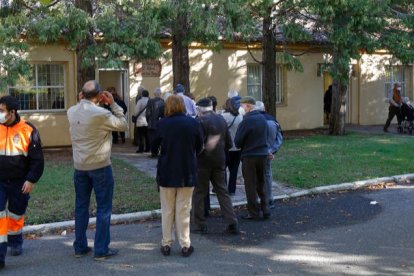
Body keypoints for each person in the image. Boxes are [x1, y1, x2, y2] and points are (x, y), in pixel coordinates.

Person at [67, 80, 128, 261]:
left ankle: (80, 246)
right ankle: (101, 250)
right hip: (100, 166)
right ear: (100, 95)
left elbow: (81, 108)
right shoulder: (101, 114)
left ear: (82, 95)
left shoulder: (71, 112)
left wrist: (82, 101)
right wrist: (113, 104)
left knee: (81, 207)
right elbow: (122, 124)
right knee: (103, 209)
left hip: (80, 167)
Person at [151, 95, 203, 257]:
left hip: (167, 172)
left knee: (167, 210)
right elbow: (199, 146)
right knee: (184, 210)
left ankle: (166, 243)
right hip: (187, 171)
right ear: (183, 106)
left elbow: (153, 147)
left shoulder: (162, 124)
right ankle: (185, 244)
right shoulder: (193, 123)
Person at [0, 95, 44, 269]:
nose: (0, 114)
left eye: (2, 111)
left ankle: (16, 241)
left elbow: (37, 160)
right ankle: (0, 254)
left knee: (16, 213)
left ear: (12, 112)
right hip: (0, 180)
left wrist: (31, 180)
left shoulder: (28, 129)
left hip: (20, 182)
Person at [192, 98, 239, 235]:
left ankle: (199, 224)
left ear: (200, 110)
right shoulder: (221, 119)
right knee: (222, 191)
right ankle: (232, 222)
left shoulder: (199, 121)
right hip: (219, 161)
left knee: (199, 192)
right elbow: (229, 143)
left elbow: (197, 144)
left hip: (203, 162)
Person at [234, 96, 270, 220]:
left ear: (248, 106)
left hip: (249, 156)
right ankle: (266, 209)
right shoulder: (262, 118)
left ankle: (253, 212)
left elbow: (238, 141)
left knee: (250, 185)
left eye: (242, 106)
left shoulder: (246, 121)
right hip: (263, 154)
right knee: (262, 182)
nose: (241, 108)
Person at [256, 101, 278, 209]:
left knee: (255, 176)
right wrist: (271, 150)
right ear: (264, 108)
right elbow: (279, 138)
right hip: (268, 153)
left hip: (256, 153)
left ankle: (257, 201)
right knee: (268, 174)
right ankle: (270, 199)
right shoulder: (273, 120)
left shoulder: (254, 121)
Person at [221, 95, 243, 195]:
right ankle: (232, 190)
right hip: (237, 147)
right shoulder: (240, 116)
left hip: (226, 147)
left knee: (223, 169)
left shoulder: (224, 116)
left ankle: (223, 188)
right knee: (234, 170)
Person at [146, 88, 165, 157]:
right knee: (160, 138)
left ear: (154, 94)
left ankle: (154, 153)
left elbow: (147, 113)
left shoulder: (150, 101)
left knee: (152, 139)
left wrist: (148, 121)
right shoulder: (163, 102)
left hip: (151, 123)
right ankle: (160, 151)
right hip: (160, 123)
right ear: (160, 94)